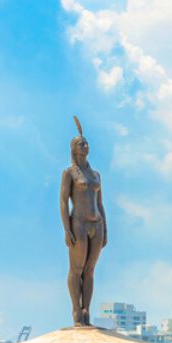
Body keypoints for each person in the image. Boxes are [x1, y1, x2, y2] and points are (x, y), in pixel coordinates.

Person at [59, 116, 107, 326]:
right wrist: (66, 229)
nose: (86, 146)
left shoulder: (96, 174)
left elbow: (100, 203)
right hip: (78, 224)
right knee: (76, 269)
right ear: (74, 149)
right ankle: (76, 311)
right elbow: (62, 201)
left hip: (96, 225)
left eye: (86, 143)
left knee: (90, 271)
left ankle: (87, 310)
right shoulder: (69, 173)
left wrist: (106, 229)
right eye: (81, 144)